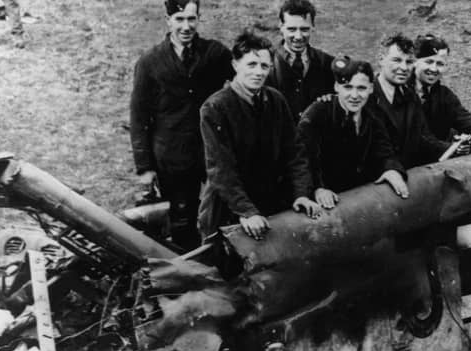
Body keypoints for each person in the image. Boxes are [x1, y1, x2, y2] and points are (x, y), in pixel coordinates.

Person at [129, 0, 234, 251]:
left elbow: (244, 77)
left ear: (198, 19)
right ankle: (186, 273)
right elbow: (139, 116)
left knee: (220, 211)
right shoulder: (150, 62)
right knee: (181, 218)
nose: (186, 26)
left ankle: (221, 266)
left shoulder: (215, 54)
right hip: (171, 156)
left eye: (191, 19)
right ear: (168, 20)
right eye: (179, 19)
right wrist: (145, 167)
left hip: (211, 150)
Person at [199, 31, 321, 241]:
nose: (258, 72)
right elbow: (221, 168)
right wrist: (246, 211)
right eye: (252, 64)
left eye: (264, 66)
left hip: (269, 207)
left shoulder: (275, 100)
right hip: (228, 211)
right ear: (236, 65)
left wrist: (301, 193)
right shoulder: (215, 107)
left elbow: (294, 153)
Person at [298, 56, 409, 210]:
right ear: (337, 87)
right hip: (327, 201)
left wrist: (391, 169)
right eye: (348, 87)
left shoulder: (372, 114)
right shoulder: (318, 113)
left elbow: (384, 149)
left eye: (361, 88)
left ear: (371, 88)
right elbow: (304, 159)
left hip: (358, 199)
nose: (355, 96)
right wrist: (318, 188)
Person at [410, 34, 471, 158]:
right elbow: (417, 136)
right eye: (429, 61)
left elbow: (467, 121)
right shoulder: (400, 93)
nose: (434, 69)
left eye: (440, 64)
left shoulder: (444, 95)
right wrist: (450, 148)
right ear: (415, 61)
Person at [370, 33, 449, 168]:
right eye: (397, 60)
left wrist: (452, 148)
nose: (404, 68)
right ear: (381, 59)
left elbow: (424, 137)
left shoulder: (410, 96)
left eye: (409, 62)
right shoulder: (365, 95)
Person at [266, 0, 334, 122]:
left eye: (304, 29)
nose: (298, 36)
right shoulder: (266, 63)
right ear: (281, 27)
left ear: (313, 26)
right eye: (292, 29)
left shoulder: (327, 63)